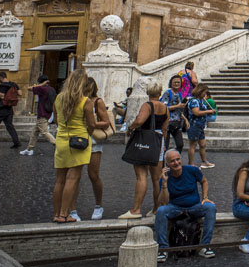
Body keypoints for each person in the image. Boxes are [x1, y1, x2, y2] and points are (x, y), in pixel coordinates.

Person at [50, 70, 96, 223]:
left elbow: (56, 119)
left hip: (62, 140)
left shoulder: (59, 98)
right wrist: (87, 133)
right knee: (73, 178)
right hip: (79, 141)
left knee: (60, 180)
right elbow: (91, 124)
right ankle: (64, 214)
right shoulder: (85, 101)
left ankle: (56, 214)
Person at [154, 149, 216, 261]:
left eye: (178, 159)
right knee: (161, 211)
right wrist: (164, 183)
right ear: (167, 164)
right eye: (172, 161)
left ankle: (205, 246)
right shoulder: (165, 177)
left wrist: (205, 197)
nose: (176, 163)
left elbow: (204, 181)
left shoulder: (192, 170)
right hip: (175, 208)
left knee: (210, 207)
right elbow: (163, 202)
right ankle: (163, 249)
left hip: (194, 207)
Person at [119, 82, 169, 219]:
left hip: (144, 141)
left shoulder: (147, 105)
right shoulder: (165, 108)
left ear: (148, 93)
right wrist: (163, 145)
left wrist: (130, 127)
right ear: (159, 93)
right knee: (157, 178)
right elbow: (165, 128)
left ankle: (136, 210)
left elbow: (140, 121)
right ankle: (157, 209)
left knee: (141, 176)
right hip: (159, 141)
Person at [74, 77, 111, 221]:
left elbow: (106, 122)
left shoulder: (98, 101)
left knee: (93, 175)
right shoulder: (77, 101)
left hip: (94, 142)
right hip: (77, 141)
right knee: (74, 176)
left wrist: (91, 123)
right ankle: (72, 209)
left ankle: (98, 205)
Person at [20, 77, 57, 156]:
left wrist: (40, 84)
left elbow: (29, 88)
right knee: (35, 132)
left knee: (45, 132)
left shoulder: (42, 88)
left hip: (42, 113)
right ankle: (29, 149)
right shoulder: (51, 89)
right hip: (48, 112)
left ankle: (59, 145)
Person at [186, 84, 215, 168]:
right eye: (204, 93)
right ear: (200, 91)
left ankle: (204, 161)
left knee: (202, 144)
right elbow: (196, 112)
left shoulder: (201, 100)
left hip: (200, 126)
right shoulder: (194, 100)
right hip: (194, 125)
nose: (205, 95)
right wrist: (208, 111)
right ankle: (190, 163)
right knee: (193, 145)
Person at [160, 76, 188, 153]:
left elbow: (179, 110)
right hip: (167, 123)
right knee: (165, 145)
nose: (176, 84)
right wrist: (177, 106)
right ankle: (164, 163)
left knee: (180, 144)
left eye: (178, 82)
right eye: (175, 82)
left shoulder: (180, 94)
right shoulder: (167, 93)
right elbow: (163, 107)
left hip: (177, 122)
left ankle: (173, 159)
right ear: (171, 83)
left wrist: (185, 120)